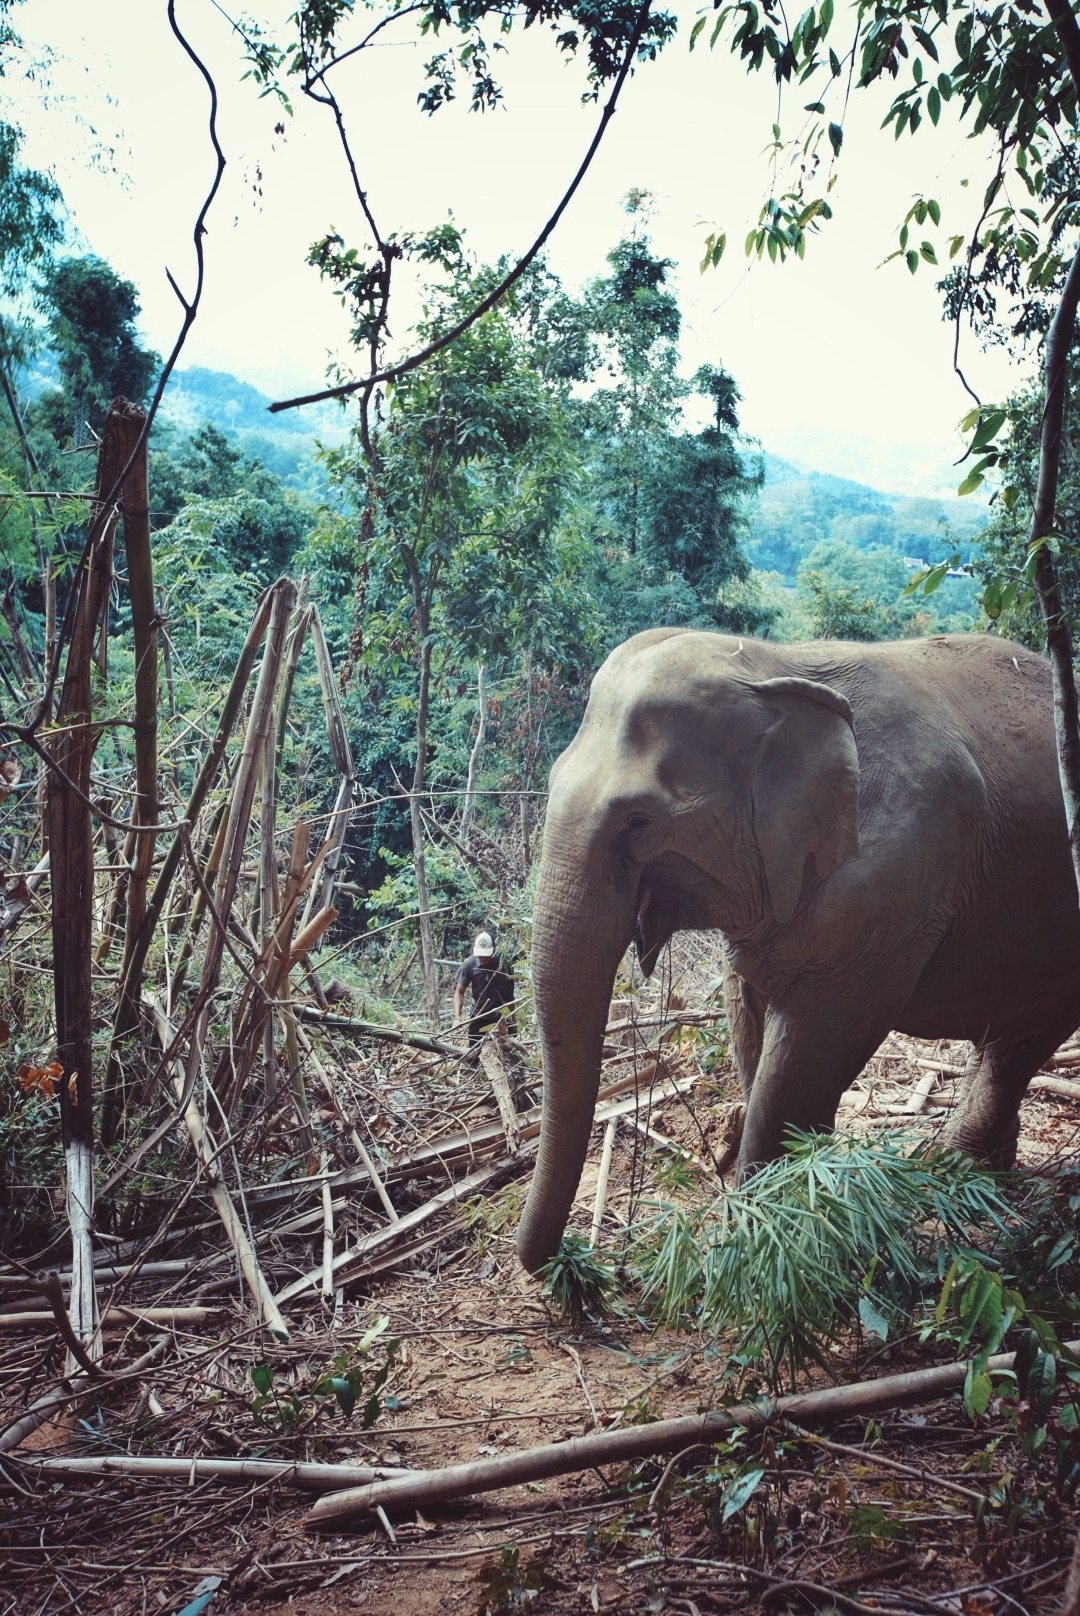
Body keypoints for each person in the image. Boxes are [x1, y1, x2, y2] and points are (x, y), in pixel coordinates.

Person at [453, 932, 513, 1050]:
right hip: (479, 1015)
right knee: (474, 1051)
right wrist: (457, 1018)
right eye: (480, 955)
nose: (483, 958)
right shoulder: (469, 964)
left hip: (502, 1014)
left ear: (494, 948)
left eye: (486, 955)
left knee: (506, 1050)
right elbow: (459, 992)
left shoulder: (505, 960)